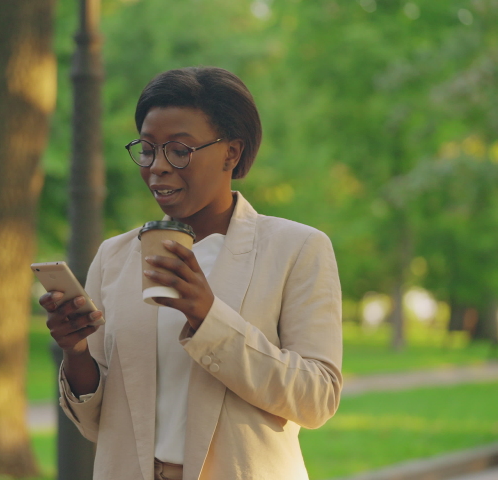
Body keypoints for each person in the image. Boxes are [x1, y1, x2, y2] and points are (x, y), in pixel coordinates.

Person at [40, 67, 342, 480]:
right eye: (147, 149)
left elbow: (317, 399)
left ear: (231, 153)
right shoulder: (114, 257)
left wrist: (208, 317)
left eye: (179, 150)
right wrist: (75, 354)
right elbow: (97, 424)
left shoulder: (297, 249)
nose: (157, 166)